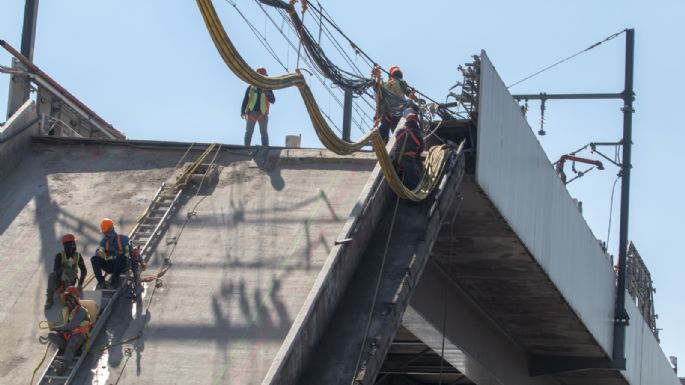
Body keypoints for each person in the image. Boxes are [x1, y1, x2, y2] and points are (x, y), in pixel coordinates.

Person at [47, 286, 91, 375]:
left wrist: (59, 328)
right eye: (67, 299)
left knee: (71, 344)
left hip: (80, 335)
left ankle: (63, 366)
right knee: (51, 335)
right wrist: (57, 330)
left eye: (70, 299)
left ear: (75, 299)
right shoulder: (66, 310)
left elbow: (71, 325)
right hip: (69, 335)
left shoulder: (81, 311)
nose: (68, 301)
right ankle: (73, 350)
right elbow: (65, 325)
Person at [45, 234, 87, 309]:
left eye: (70, 244)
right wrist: (61, 275)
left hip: (70, 281)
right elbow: (56, 269)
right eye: (68, 245)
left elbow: (84, 271)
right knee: (52, 275)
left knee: (71, 272)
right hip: (60, 282)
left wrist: (80, 284)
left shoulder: (78, 256)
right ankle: (49, 299)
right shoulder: (59, 256)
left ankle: (68, 298)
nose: (71, 246)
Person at [379, 65, 416, 143]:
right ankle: (398, 146)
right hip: (398, 113)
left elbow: (380, 97)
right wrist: (414, 97)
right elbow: (408, 93)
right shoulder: (401, 82)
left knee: (384, 130)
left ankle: (382, 146)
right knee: (398, 133)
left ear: (390, 75)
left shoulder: (385, 84)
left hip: (387, 113)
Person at [91, 218, 131, 289]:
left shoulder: (123, 239)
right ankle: (101, 282)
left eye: (106, 232)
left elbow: (128, 253)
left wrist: (120, 254)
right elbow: (100, 249)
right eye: (104, 232)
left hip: (122, 266)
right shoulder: (104, 241)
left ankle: (114, 281)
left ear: (111, 230)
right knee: (94, 259)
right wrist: (99, 252)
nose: (105, 234)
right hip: (111, 265)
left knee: (120, 256)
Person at [241, 67, 276, 147]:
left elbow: (273, 100)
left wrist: (267, 93)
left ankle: (265, 148)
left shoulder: (267, 88)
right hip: (251, 112)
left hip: (263, 113)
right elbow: (245, 99)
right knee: (248, 132)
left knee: (264, 132)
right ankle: (246, 147)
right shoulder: (251, 88)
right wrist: (243, 111)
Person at [393, 111, 424, 190]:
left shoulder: (399, 131)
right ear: (415, 121)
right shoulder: (416, 131)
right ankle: (412, 195)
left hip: (397, 159)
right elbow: (421, 147)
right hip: (409, 158)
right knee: (412, 180)